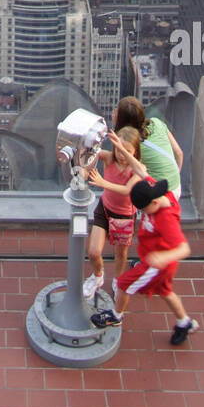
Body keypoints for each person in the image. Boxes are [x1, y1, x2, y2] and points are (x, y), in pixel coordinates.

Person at [91, 177, 199, 346]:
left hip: (156, 266)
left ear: (154, 202)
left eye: (145, 210)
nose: (144, 213)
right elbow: (142, 172)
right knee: (165, 292)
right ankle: (184, 322)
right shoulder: (158, 193)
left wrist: (162, 257)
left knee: (123, 284)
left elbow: (184, 249)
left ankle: (116, 316)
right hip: (157, 264)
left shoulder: (166, 219)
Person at [82, 126, 143, 300]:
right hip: (105, 209)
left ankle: (118, 279)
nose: (121, 155)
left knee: (121, 254)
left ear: (134, 152)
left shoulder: (137, 169)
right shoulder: (109, 158)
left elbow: (127, 190)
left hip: (124, 214)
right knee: (93, 251)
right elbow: (92, 152)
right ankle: (97, 276)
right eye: (118, 150)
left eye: (126, 151)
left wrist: (103, 183)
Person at [114, 95, 183, 200]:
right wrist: (173, 176)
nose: (114, 111)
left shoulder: (130, 144)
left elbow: (122, 171)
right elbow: (179, 153)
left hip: (158, 195)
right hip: (176, 186)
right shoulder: (157, 122)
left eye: (117, 111)